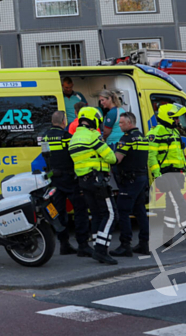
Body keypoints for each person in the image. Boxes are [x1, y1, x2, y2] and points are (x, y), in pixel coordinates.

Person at [150, 104, 186, 251]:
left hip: (176, 174)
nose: (177, 120)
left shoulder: (175, 132)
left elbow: (181, 156)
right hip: (166, 175)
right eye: (175, 118)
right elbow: (151, 156)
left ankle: (167, 237)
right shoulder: (156, 132)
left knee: (171, 206)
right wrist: (158, 176)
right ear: (167, 117)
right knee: (180, 204)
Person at [68, 107, 118, 265]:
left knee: (96, 214)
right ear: (94, 120)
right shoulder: (93, 135)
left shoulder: (74, 137)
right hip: (97, 180)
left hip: (84, 181)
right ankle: (101, 250)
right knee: (111, 214)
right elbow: (110, 157)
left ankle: (97, 246)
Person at [43, 111, 91, 257]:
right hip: (69, 179)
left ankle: (64, 244)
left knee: (59, 211)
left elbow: (46, 156)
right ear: (64, 121)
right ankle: (83, 245)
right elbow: (74, 155)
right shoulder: (66, 137)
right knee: (80, 210)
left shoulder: (45, 136)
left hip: (54, 179)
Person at [110, 111, 158, 257]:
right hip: (141, 179)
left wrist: (106, 155)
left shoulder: (126, 138)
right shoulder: (142, 137)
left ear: (129, 123)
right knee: (140, 211)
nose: (119, 125)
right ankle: (144, 243)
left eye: (121, 123)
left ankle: (125, 245)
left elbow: (117, 159)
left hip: (129, 180)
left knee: (123, 211)